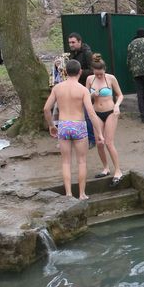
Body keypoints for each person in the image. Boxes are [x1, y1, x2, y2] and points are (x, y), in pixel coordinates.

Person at [44, 59, 103, 200]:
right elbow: (91, 113)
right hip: (79, 125)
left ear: (65, 72)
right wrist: (99, 133)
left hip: (63, 125)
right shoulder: (83, 90)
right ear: (80, 72)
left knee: (66, 162)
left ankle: (69, 194)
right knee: (81, 161)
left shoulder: (57, 88)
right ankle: (82, 194)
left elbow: (46, 109)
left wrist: (51, 125)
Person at [86, 54, 124, 186]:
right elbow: (86, 97)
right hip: (96, 112)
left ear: (104, 70)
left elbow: (120, 95)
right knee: (99, 142)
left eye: (101, 74)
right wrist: (92, 94)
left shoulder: (111, 78)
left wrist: (117, 105)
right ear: (93, 71)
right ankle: (105, 168)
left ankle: (118, 170)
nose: (99, 76)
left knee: (108, 142)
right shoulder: (89, 79)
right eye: (96, 74)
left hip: (110, 112)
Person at [68, 32, 96, 146]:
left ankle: (92, 139)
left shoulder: (87, 53)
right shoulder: (71, 54)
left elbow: (93, 71)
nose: (71, 44)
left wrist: (77, 72)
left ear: (80, 42)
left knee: (87, 115)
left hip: (86, 87)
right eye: (69, 42)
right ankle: (79, 136)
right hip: (74, 87)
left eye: (73, 42)